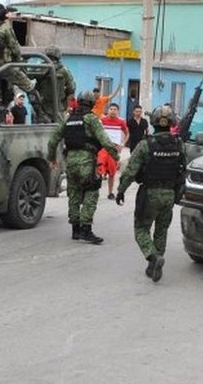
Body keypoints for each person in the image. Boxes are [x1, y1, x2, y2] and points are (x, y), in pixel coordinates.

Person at [115, 105, 187, 282]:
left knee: (141, 229)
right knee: (161, 231)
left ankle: (153, 257)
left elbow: (130, 171)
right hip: (169, 194)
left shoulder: (145, 145)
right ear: (172, 123)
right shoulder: (179, 144)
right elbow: (183, 169)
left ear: (153, 123)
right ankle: (155, 265)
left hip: (149, 195)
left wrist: (121, 191)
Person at [48, 90, 119, 244]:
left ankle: (75, 230)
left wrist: (52, 158)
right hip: (86, 161)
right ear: (93, 103)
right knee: (91, 191)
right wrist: (116, 157)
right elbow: (105, 141)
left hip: (70, 162)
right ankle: (86, 230)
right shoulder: (92, 119)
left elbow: (53, 140)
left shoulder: (68, 119)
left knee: (73, 193)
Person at [0, 3, 38, 115]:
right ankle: (40, 113)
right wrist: (19, 63)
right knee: (29, 86)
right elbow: (15, 48)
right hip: (3, 66)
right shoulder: (5, 28)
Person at [33, 46, 76, 123]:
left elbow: (28, 77)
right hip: (58, 108)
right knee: (59, 132)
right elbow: (72, 88)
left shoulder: (39, 67)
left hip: (42, 109)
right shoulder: (64, 70)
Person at [99, 103, 129, 199]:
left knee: (112, 172)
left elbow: (127, 133)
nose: (112, 111)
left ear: (118, 111)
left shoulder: (121, 122)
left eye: (115, 109)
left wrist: (122, 144)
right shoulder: (102, 120)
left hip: (114, 149)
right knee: (99, 169)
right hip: (103, 148)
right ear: (108, 110)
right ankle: (94, 191)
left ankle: (110, 192)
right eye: (111, 109)